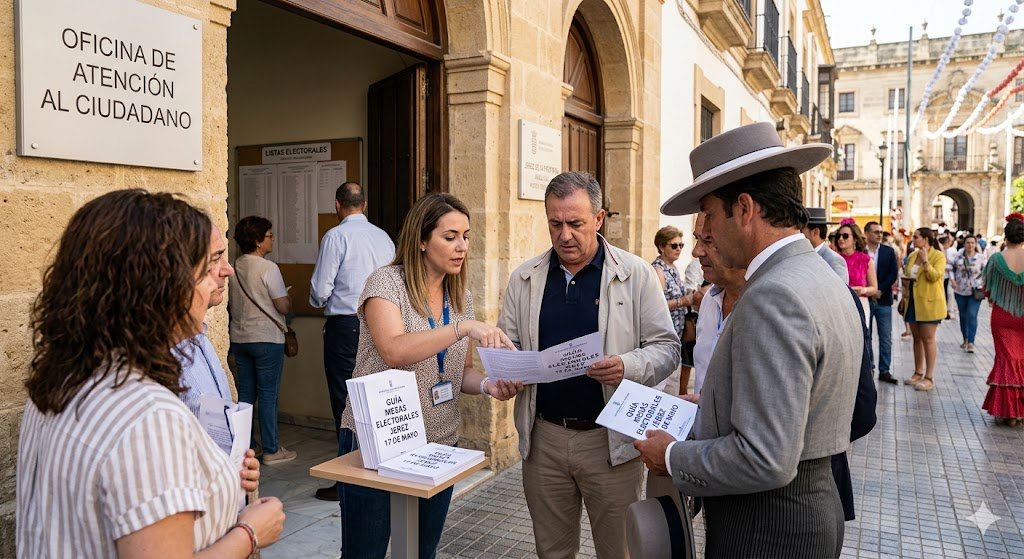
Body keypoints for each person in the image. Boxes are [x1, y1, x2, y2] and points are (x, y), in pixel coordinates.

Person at [17, 189, 285, 557]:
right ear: (162, 283)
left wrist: (221, 476)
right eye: (207, 265)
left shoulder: (60, 383)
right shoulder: (149, 417)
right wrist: (250, 532)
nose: (223, 272)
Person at [638, 122, 862, 558]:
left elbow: (765, 457)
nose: (704, 234)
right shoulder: (817, 273)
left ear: (743, 209)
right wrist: (715, 404)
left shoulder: (773, 294)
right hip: (803, 512)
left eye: (709, 213)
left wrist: (670, 457)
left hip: (768, 529)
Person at [497, 171, 680, 559]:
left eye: (576, 223)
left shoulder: (637, 275)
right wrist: (507, 372)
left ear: (599, 219)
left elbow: (668, 348)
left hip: (611, 442)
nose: (565, 235)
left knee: (619, 550)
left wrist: (627, 366)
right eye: (555, 223)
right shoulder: (525, 278)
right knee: (552, 551)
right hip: (544, 439)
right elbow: (506, 344)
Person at [337, 193, 523, 559]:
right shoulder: (386, 284)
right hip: (380, 440)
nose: (461, 247)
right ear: (421, 240)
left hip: (437, 443)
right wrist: (461, 328)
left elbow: (459, 373)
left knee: (422, 550)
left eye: (466, 236)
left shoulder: (460, 296)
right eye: (450, 236)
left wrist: (488, 385)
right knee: (365, 552)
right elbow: (394, 349)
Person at [308, 181, 395, 501]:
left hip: (346, 326)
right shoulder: (383, 237)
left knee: (345, 401)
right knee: (374, 396)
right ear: (365, 204)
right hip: (384, 322)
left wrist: (316, 300)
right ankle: (378, 469)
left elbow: (320, 289)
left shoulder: (336, 236)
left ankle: (347, 481)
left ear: (337, 205)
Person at [177, 227, 261, 492]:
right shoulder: (151, 366)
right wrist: (250, 532)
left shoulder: (199, 337)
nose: (227, 270)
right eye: (215, 259)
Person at [228, 216, 296, 464]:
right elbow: (282, 305)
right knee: (268, 394)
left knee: (245, 393)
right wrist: (288, 299)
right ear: (258, 241)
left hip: (240, 337)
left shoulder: (234, 266)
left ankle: (247, 446)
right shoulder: (268, 268)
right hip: (267, 338)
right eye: (269, 235)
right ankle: (272, 449)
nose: (273, 239)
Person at [687, 212, 746, 404]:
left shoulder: (766, 306)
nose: (696, 252)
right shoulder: (709, 301)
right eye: (697, 239)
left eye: (708, 240)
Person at [981, 212, 1024, 426]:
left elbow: (986, 289)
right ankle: (1020, 412)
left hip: (1002, 316)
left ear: (1005, 237)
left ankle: (1009, 412)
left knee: (1007, 360)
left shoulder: (997, 259)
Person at [652, 225, 699, 395]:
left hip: (675, 334)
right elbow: (655, 305)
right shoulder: (658, 270)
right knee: (661, 385)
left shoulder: (672, 268)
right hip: (662, 335)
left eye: (681, 245)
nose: (678, 249)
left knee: (672, 381)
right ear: (662, 247)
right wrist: (682, 301)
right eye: (674, 245)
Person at [901, 227, 947, 391]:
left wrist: (926, 261)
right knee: (916, 338)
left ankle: (929, 376)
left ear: (926, 239)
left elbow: (935, 276)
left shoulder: (938, 256)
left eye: (916, 237)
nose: (913, 239)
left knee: (928, 339)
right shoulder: (913, 255)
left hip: (930, 303)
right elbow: (908, 272)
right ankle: (917, 372)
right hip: (913, 301)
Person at [864, 221, 900, 384]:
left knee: (885, 336)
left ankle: (884, 370)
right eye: (875, 232)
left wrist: (880, 289)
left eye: (881, 232)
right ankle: (869, 367)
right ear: (866, 234)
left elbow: (893, 273)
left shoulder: (888, 251)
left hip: (883, 300)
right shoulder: (861, 251)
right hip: (865, 298)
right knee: (867, 335)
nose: (879, 235)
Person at [950, 235, 987, 353]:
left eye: (972, 243)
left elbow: (986, 272)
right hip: (960, 290)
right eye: (968, 243)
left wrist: (984, 283)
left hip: (976, 291)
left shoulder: (981, 258)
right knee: (963, 315)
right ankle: (965, 338)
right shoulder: (958, 256)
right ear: (964, 244)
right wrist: (952, 280)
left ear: (976, 244)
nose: (970, 245)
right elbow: (950, 268)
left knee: (972, 315)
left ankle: (971, 341)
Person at [836, 219, 878, 319]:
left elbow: (874, 288)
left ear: (854, 239)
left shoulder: (865, 260)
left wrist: (862, 290)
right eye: (839, 236)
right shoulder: (834, 259)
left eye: (845, 236)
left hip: (860, 304)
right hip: (839, 305)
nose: (841, 239)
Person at [802, 207, 847, 280]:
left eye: (802, 231)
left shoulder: (834, 260)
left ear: (815, 232)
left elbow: (841, 289)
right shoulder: (803, 256)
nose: (799, 235)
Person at [941, 234, 957, 319]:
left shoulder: (951, 250)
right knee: (948, 293)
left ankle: (950, 310)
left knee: (949, 293)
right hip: (946, 275)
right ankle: (949, 310)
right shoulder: (948, 250)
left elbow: (952, 263)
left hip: (950, 275)